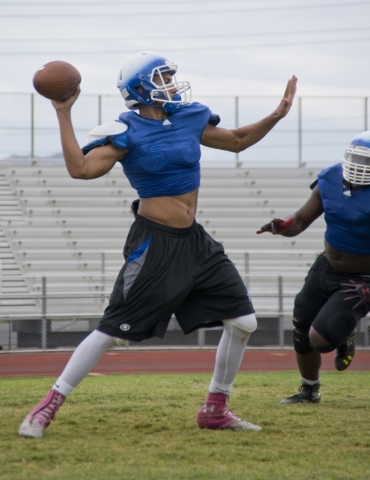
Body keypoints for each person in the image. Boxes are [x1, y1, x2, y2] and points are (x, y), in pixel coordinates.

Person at [19, 51, 297, 437]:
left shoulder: (189, 116)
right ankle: (46, 406)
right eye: (162, 78)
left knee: (244, 321)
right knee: (112, 331)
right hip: (155, 242)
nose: (170, 84)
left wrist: (275, 116)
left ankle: (215, 409)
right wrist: (63, 112)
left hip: (194, 240)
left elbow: (236, 141)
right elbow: (80, 170)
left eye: (169, 76)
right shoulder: (125, 129)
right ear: (140, 88)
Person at [256, 130, 370, 404]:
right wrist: (283, 226)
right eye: (356, 158)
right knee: (301, 327)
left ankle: (345, 333)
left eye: (366, 161)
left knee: (319, 339)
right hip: (327, 266)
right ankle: (309, 391)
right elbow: (300, 220)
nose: (359, 166)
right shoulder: (329, 177)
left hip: (362, 278)